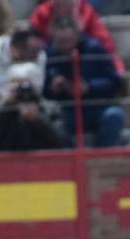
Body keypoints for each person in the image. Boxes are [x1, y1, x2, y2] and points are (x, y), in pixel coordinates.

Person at [43, 15, 124, 148]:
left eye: (69, 40)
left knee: (114, 115)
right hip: (66, 110)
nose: (66, 46)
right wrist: (53, 89)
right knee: (53, 125)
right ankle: (70, 159)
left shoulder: (95, 49)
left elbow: (115, 82)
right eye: (61, 42)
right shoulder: (48, 55)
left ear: (77, 36)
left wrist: (89, 87)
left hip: (96, 106)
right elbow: (42, 89)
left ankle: (104, 158)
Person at [30, 0, 124, 76]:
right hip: (52, 68)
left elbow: (106, 46)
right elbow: (32, 42)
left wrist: (117, 68)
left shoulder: (86, 11)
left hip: (83, 68)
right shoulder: (42, 13)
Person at [0, 69, 62, 151]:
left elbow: (60, 140)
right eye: (16, 85)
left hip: (42, 155)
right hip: (9, 155)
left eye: (25, 84)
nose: (21, 90)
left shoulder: (50, 108)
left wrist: (38, 119)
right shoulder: (1, 107)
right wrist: (7, 106)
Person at [0, 21, 46, 103]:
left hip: (29, 103)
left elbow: (38, 90)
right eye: (32, 52)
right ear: (18, 49)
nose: (36, 56)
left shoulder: (40, 54)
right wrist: (5, 94)